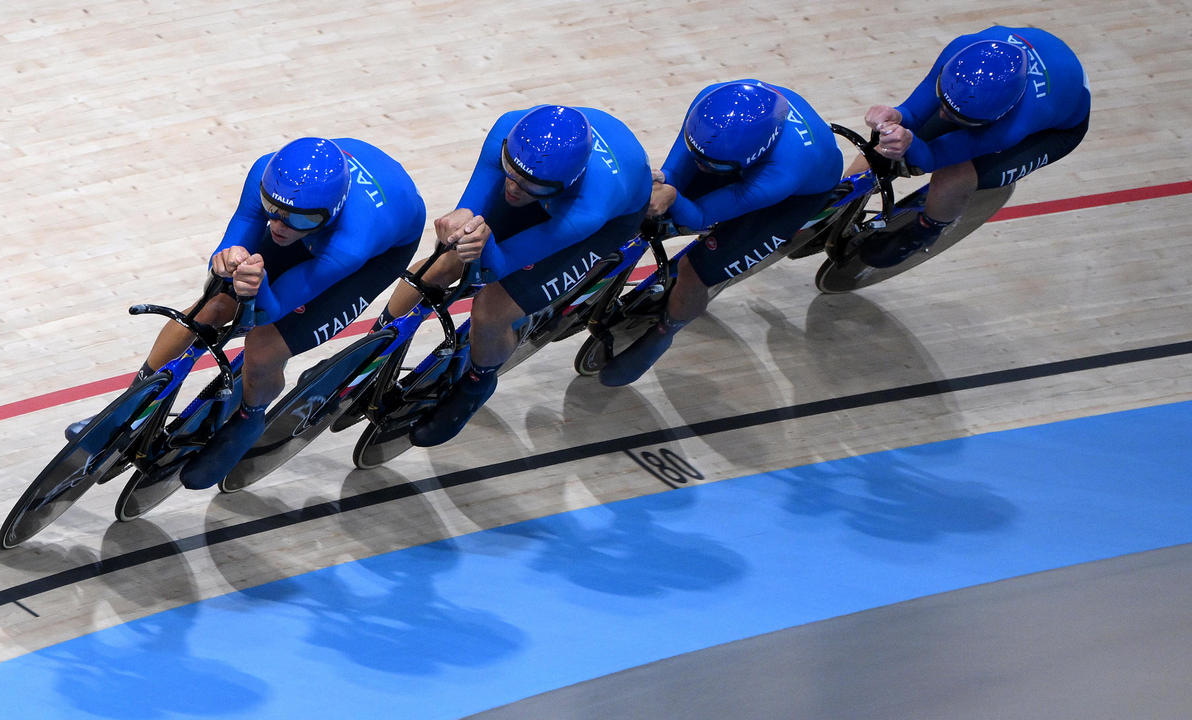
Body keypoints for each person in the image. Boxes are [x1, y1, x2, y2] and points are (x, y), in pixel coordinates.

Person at [66, 137, 426, 490]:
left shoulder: (352, 242)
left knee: (265, 346)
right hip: (323, 220)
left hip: (375, 252)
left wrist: (256, 287)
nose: (278, 226)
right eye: (272, 210)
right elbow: (229, 252)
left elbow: (268, 312)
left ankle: (250, 418)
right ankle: (127, 409)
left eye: (294, 221)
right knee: (213, 306)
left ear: (327, 214)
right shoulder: (268, 180)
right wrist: (226, 260)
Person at [377, 104, 651, 446]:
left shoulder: (588, 209)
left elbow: (496, 267)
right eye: (510, 171)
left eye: (529, 184)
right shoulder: (509, 132)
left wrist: (483, 244)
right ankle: (374, 349)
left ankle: (478, 382)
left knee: (490, 310)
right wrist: (463, 226)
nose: (514, 188)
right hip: (544, 175)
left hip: (606, 222)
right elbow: (469, 217)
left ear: (564, 183)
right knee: (445, 263)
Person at [598, 80, 844, 386]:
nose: (701, 167)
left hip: (791, 197)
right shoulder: (709, 105)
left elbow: (700, 216)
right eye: (698, 155)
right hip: (733, 158)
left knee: (694, 271)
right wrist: (665, 187)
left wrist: (672, 196)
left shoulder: (783, 173)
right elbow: (674, 174)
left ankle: (667, 330)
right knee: (648, 207)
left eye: (711, 164)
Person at [853, 26, 1091, 267]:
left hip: (1056, 130)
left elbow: (933, 158)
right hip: (1013, 85)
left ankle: (925, 232)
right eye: (943, 100)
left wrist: (910, 141)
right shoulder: (963, 48)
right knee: (886, 148)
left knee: (954, 176)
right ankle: (837, 198)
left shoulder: (1011, 128)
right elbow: (912, 112)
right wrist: (894, 116)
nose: (943, 116)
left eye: (958, 116)